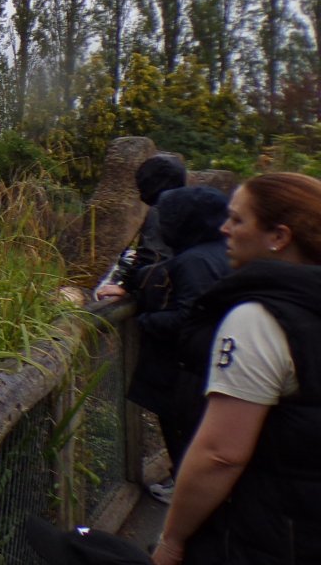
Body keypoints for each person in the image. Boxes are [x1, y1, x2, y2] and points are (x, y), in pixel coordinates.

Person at [151, 172, 321, 565]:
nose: (224, 229)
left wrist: (172, 539)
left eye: (238, 219)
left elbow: (221, 454)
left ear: (279, 236)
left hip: (271, 535)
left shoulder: (259, 319)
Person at [125, 186, 230, 501]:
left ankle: (187, 488)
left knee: (183, 426)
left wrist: (145, 320)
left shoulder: (194, 261)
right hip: (207, 363)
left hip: (187, 366)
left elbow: (190, 315)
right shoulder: (218, 252)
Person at [95, 154, 188, 301]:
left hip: (167, 300)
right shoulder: (190, 206)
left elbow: (153, 256)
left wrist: (126, 287)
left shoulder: (161, 211)